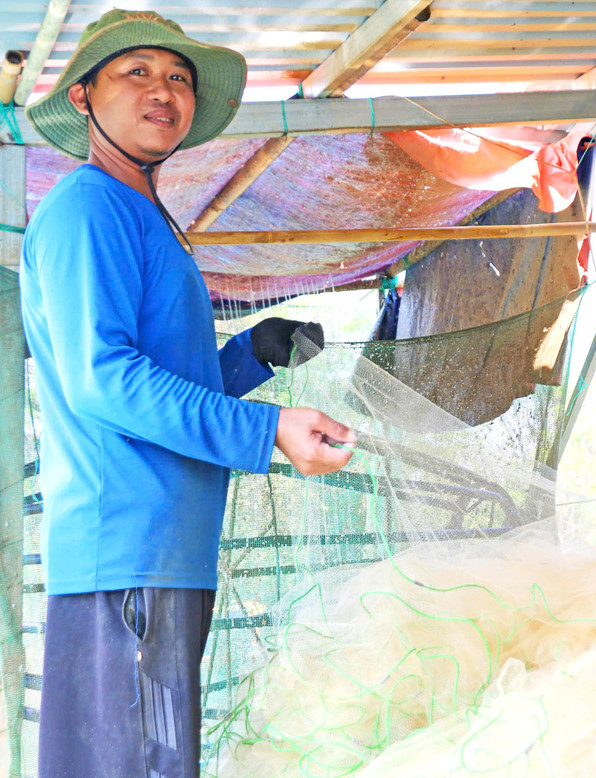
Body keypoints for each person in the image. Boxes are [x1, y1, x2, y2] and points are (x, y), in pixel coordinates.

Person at [19, 9, 356, 777]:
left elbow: (163, 377)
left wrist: (250, 356)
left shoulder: (141, 214)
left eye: (177, 77)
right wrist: (264, 430)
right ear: (83, 97)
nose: (162, 90)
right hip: (127, 557)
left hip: (163, 554)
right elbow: (104, 379)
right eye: (135, 73)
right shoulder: (88, 207)